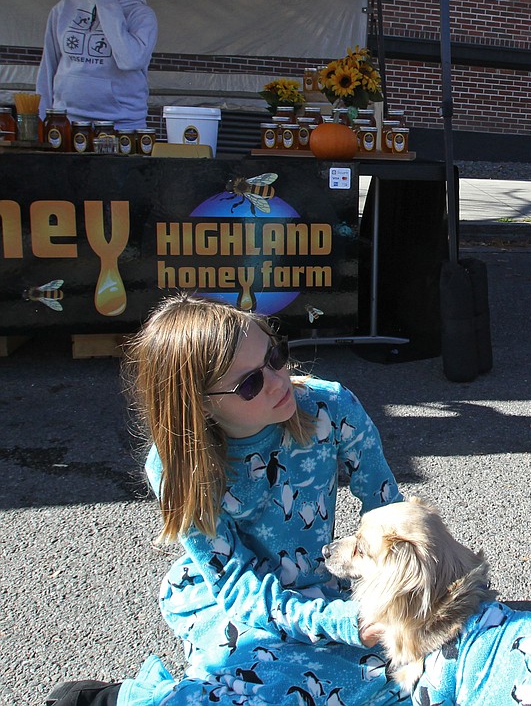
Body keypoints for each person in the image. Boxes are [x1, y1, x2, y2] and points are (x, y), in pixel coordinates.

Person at [46, 294, 404, 706]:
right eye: (250, 383)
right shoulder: (177, 467)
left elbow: (388, 514)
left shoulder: (332, 406)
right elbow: (237, 588)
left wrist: (413, 586)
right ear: (197, 404)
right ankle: (122, 698)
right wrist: (347, 623)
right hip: (230, 600)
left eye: (275, 355)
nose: (278, 380)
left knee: (401, 676)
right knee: (275, 689)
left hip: (316, 582)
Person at [36, 0, 158, 131]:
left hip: (121, 125)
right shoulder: (64, 8)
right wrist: (40, 120)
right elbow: (48, 68)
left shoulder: (141, 15)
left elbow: (131, 60)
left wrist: (108, 4)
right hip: (66, 121)